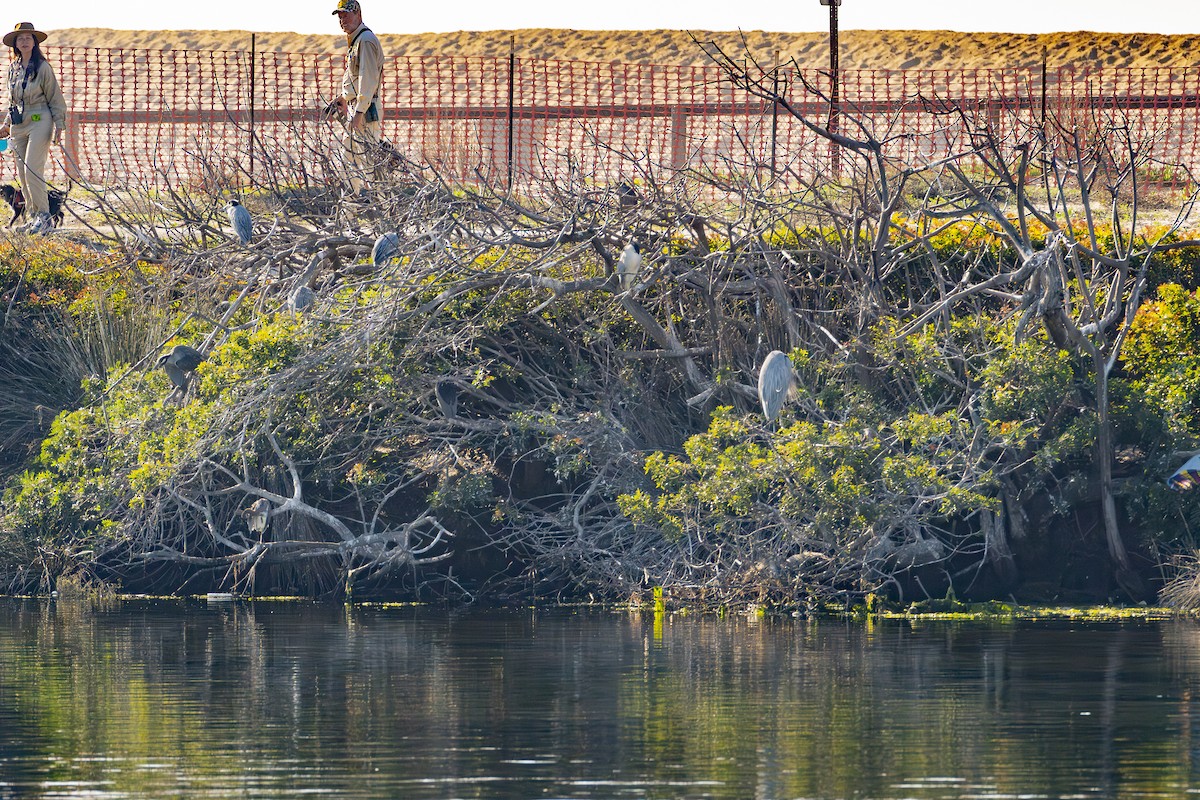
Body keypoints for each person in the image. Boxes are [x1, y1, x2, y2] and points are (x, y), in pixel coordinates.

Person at [0, 22, 66, 235]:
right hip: (19, 123)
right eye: (20, 38)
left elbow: (55, 97)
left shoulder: (43, 67)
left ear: (35, 42)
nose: (25, 41)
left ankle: (45, 217)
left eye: (29, 37)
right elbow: (12, 100)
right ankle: (34, 216)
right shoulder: (13, 68)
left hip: (41, 118)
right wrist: (7, 124)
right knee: (22, 172)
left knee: (32, 169)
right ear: (15, 44)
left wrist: (59, 125)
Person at [330, 0, 383, 193]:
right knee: (349, 162)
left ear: (358, 14)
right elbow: (356, 77)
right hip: (356, 108)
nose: (342, 20)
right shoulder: (356, 40)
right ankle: (349, 213)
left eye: (346, 15)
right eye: (340, 16)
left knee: (369, 165)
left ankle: (385, 212)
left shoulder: (365, 40)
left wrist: (359, 112)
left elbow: (367, 80)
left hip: (365, 111)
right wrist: (344, 99)